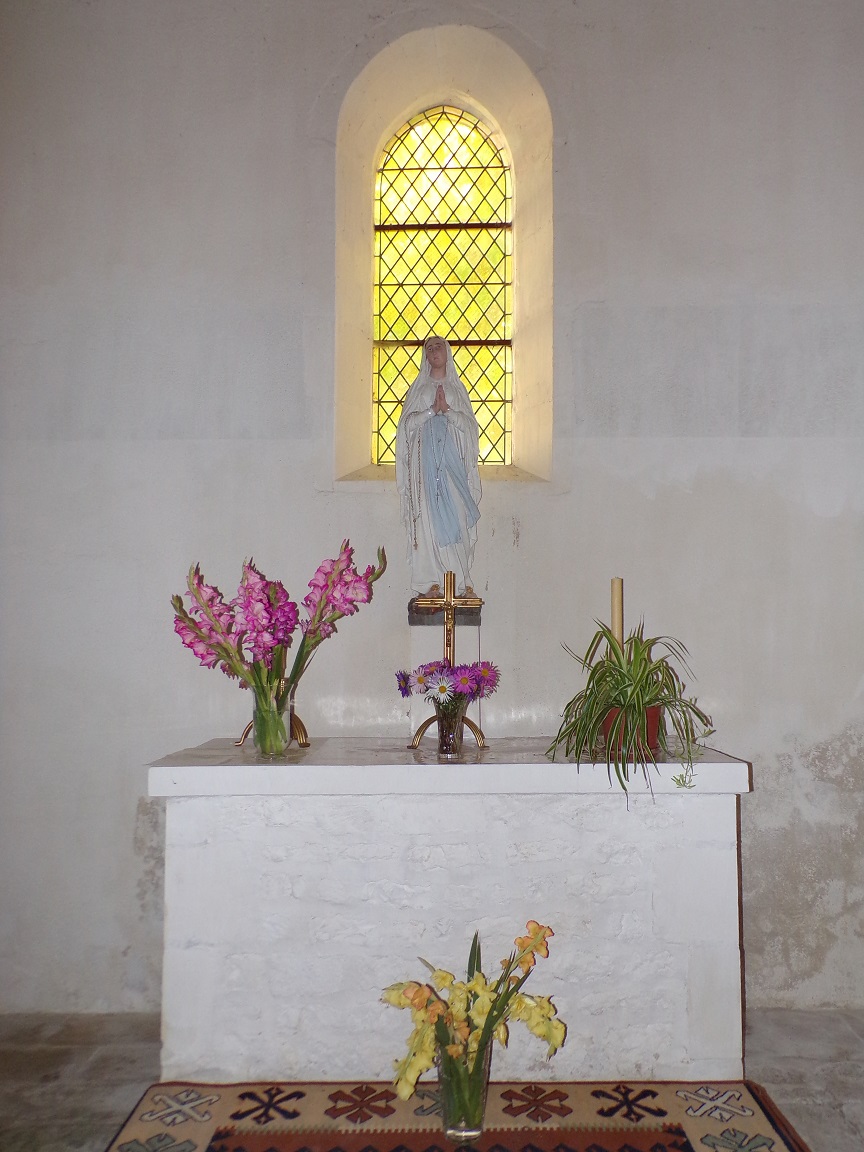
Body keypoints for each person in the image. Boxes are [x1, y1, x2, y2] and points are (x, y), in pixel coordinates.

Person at [396, 336, 482, 597]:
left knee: (456, 513)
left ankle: (458, 580)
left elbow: (470, 430)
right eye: (429, 348)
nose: (434, 351)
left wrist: (449, 411)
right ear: (425, 356)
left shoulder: (457, 390)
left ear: (447, 353)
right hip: (425, 469)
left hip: (452, 467)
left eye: (438, 346)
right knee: (428, 519)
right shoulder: (419, 390)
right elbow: (405, 427)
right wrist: (431, 411)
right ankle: (431, 581)